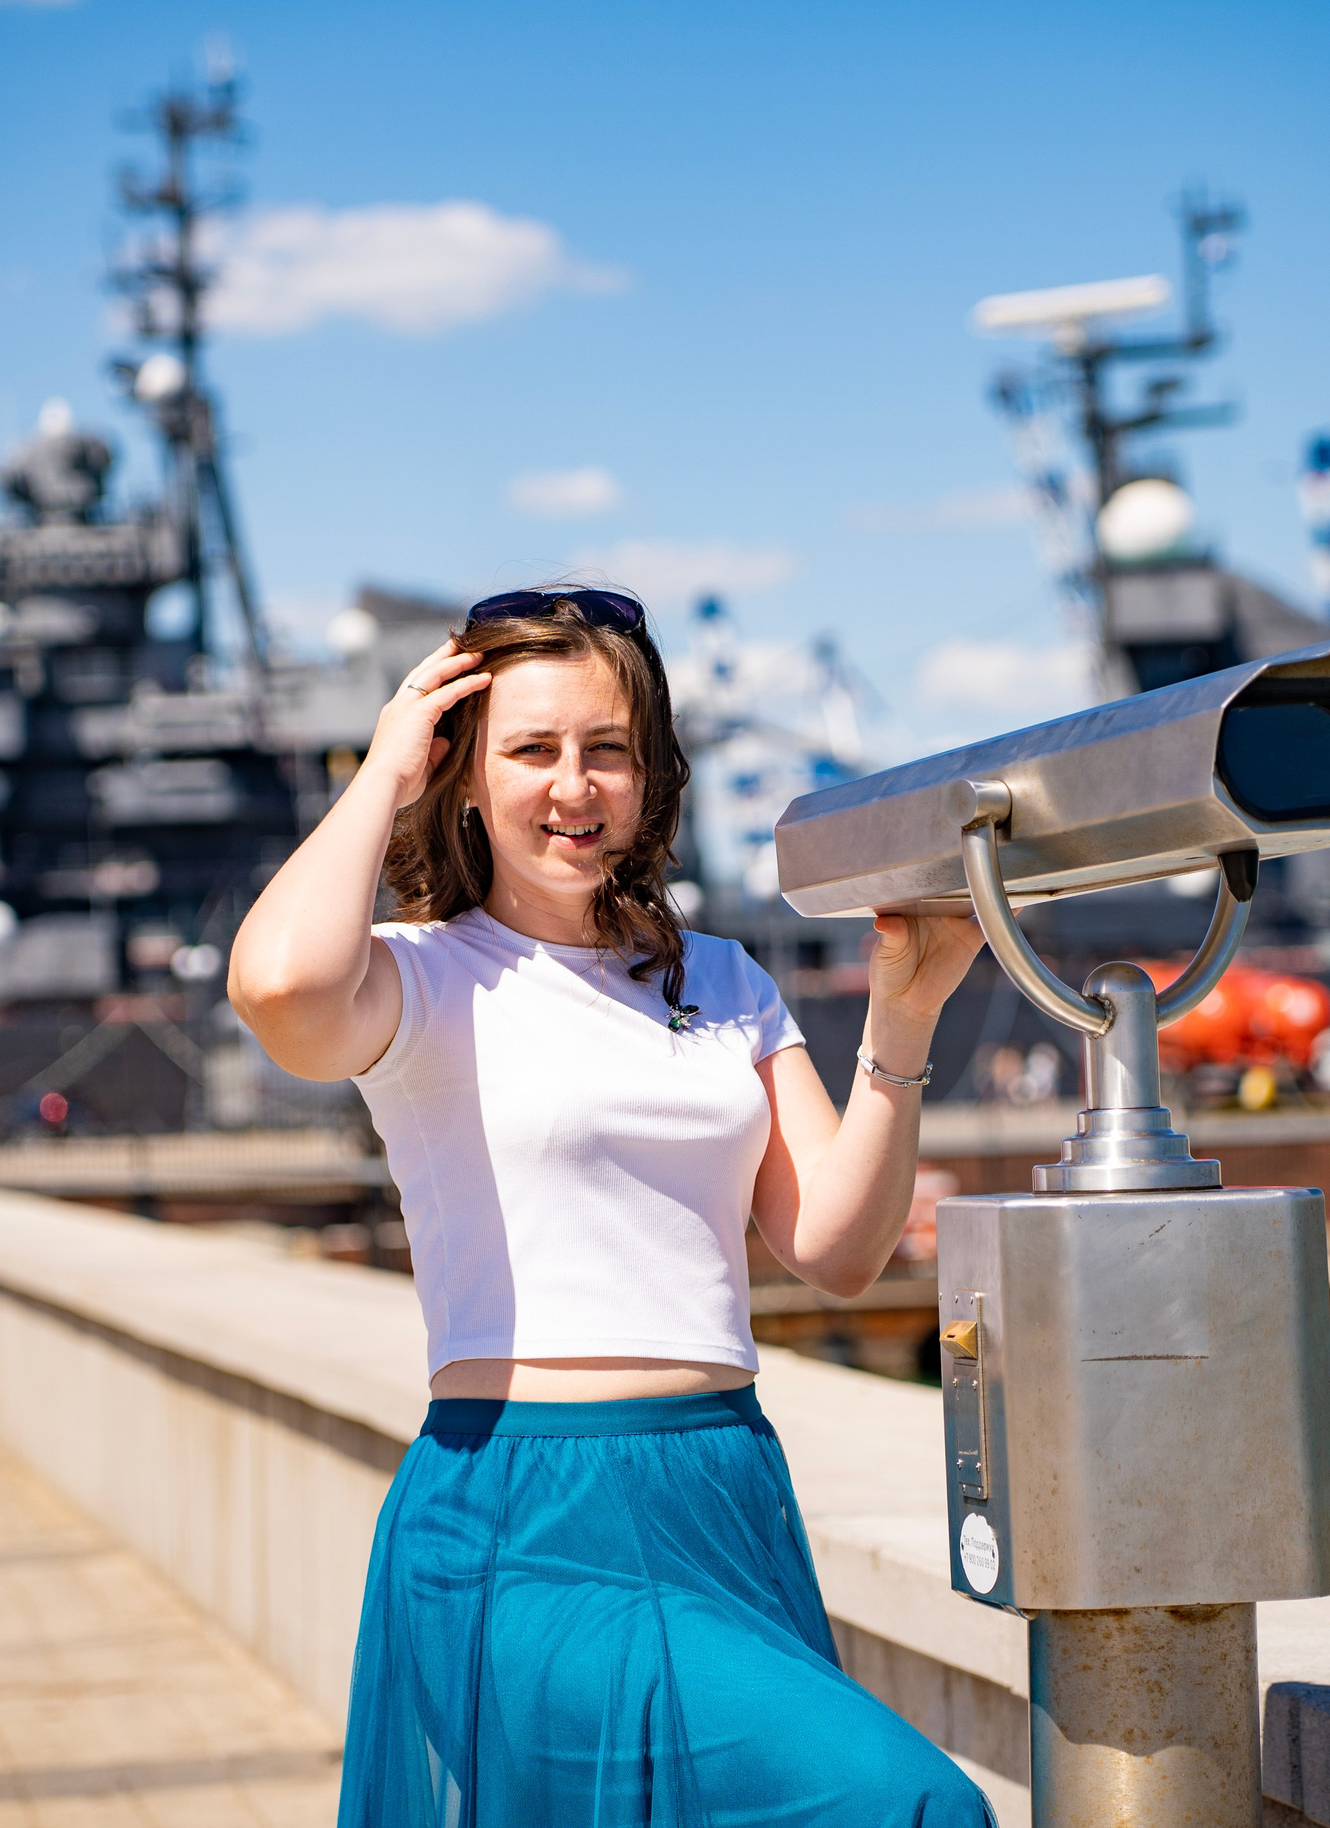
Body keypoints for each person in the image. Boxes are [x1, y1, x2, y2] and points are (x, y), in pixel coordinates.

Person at [230, 587, 994, 1828]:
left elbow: (837, 1249)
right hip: (520, 1511)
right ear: (463, 778)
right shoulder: (418, 977)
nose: (573, 786)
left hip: (724, 1485)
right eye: (530, 750)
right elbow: (275, 983)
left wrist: (904, 1015)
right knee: (910, 1805)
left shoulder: (724, 980)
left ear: (651, 778)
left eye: (608, 750)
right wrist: (383, 763)